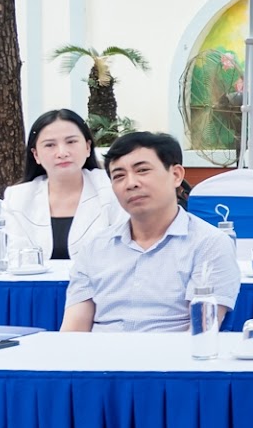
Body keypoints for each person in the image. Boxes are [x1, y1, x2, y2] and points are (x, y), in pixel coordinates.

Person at [63, 132, 238, 333]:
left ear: (176, 175)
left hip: (174, 352)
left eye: (143, 170)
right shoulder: (94, 247)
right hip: (100, 352)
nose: (131, 183)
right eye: (119, 176)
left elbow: (201, 334)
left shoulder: (210, 244)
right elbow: (73, 332)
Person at [1, 108, 120, 262]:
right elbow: (15, 260)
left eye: (71, 142)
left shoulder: (112, 189)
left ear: (87, 147)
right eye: (50, 145)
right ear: (36, 154)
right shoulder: (17, 198)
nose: (62, 153)